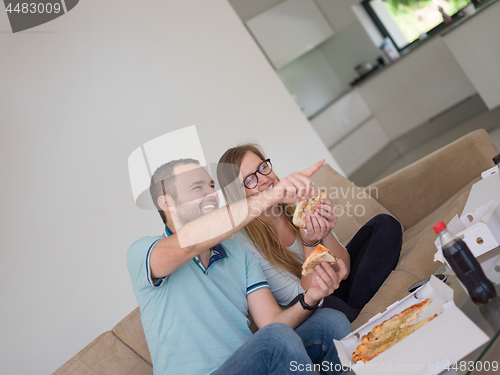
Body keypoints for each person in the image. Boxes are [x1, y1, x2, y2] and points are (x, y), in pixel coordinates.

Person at [127, 157, 353, 375]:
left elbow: (272, 323)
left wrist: (310, 298)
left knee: (329, 322)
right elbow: (189, 242)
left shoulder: (237, 252)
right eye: (198, 188)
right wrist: (272, 195)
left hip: (250, 364)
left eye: (212, 186)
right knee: (275, 339)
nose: (211, 195)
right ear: (167, 202)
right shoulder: (143, 253)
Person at [217, 144, 402, 322]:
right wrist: (310, 244)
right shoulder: (246, 244)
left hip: (336, 285)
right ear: (238, 196)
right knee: (329, 305)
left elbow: (343, 270)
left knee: (385, 225)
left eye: (263, 167)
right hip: (313, 305)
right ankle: (360, 308)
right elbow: (302, 298)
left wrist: (326, 232)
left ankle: (357, 310)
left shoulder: (299, 204)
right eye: (249, 179)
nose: (264, 178)